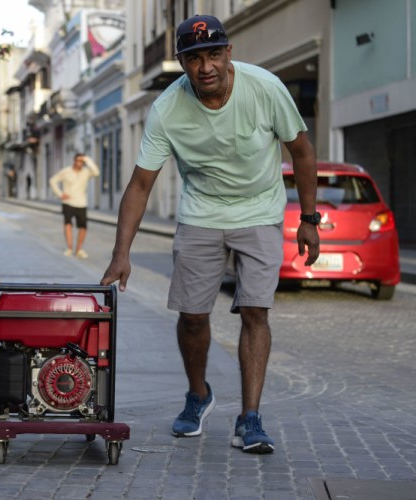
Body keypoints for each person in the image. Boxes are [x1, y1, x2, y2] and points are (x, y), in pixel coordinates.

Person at [100, 14, 319, 454]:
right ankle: (198, 394)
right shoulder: (167, 108)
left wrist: (309, 220)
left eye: (214, 54)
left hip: (260, 211)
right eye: (194, 58)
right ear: (181, 62)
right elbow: (141, 184)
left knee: (255, 310)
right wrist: (120, 253)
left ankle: (250, 417)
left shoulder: (265, 88)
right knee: (193, 315)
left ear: (228, 53)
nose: (206, 67)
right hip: (201, 213)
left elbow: (301, 150)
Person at [49, 153, 100, 258]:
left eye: (81, 161)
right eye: (77, 160)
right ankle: (69, 248)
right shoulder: (66, 171)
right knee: (68, 224)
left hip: (81, 203)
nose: (79, 163)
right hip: (68, 202)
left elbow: (96, 172)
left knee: (83, 226)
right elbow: (52, 181)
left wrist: (88, 160)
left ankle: (79, 249)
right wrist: (60, 194)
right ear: (74, 161)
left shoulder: (86, 172)